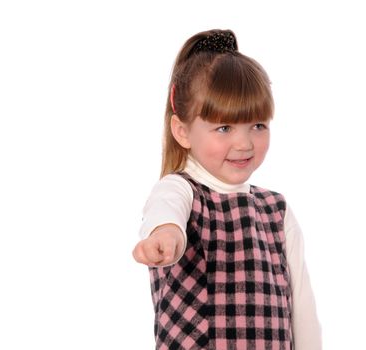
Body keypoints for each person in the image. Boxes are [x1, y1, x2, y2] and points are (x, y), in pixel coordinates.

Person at [133, 29, 321, 350]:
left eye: (258, 125)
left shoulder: (276, 210)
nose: (244, 143)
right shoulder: (182, 191)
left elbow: (301, 307)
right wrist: (166, 236)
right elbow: (166, 211)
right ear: (182, 131)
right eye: (224, 128)